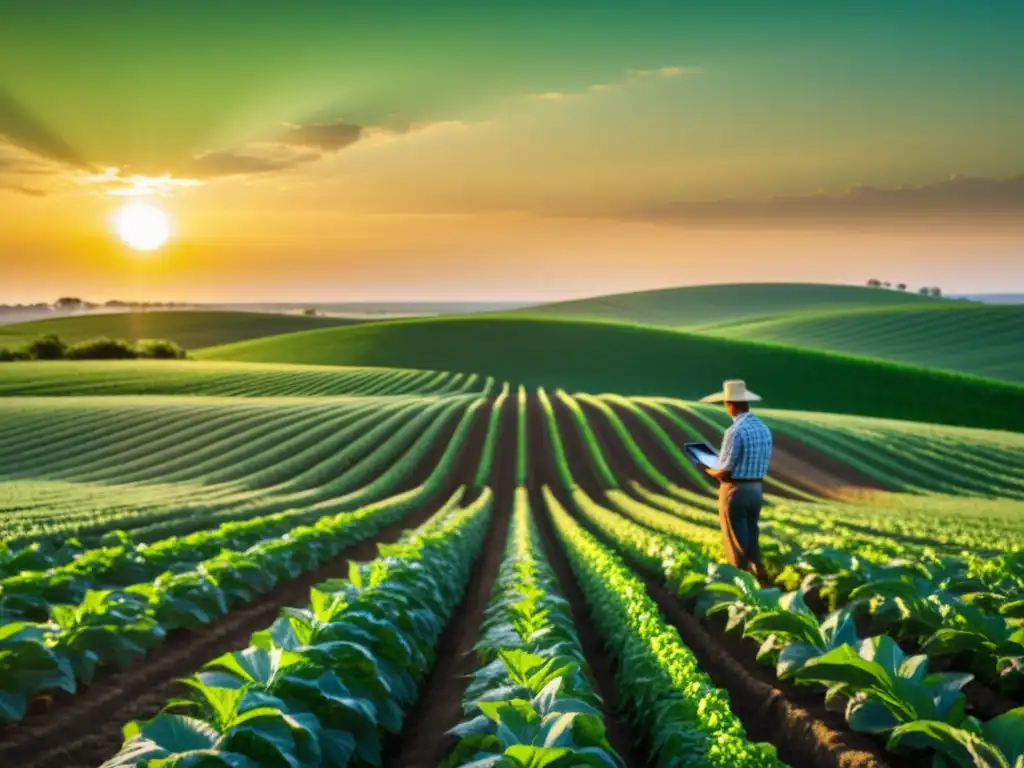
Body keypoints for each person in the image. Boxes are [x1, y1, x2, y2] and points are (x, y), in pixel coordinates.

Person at [699, 379, 772, 584]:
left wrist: (705, 467)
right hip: (756, 490)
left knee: (735, 541)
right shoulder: (763, 428)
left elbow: (725, 471)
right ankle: (759, 573)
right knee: (751, 536)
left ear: (730, 404)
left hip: (735, 491)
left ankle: (742, 582)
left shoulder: (735, 431)